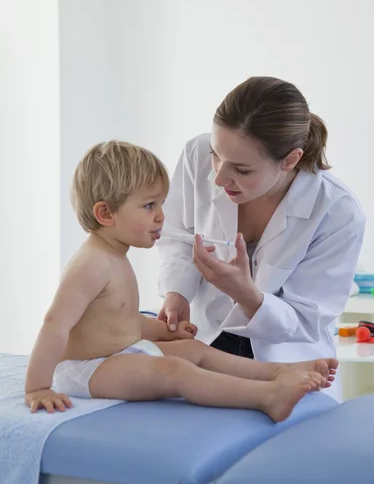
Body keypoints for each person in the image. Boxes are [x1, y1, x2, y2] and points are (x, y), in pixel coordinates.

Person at [24, 140, 336, 422]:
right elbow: (55, 324)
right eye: (149, 206)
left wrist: (161, 331)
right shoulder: (92, 263)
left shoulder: (114, 255)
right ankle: (267, 396)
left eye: (161, 204)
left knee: (194, 350)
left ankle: (279, 371)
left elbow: (113, 321)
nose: (161, 216)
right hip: (84, 370)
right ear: (106, 214)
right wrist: (38, 387)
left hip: (115, 356)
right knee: (174, 371)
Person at [157, 77, 365, 401]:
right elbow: (178, 236)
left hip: (286, 359)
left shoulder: (337, 212)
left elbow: (305, 320)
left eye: (241, 169)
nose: (219, 176)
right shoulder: (196, 155)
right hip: (207, 343)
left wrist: (248, 296)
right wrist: (177, 293)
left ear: (290, 160)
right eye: (215, 155)